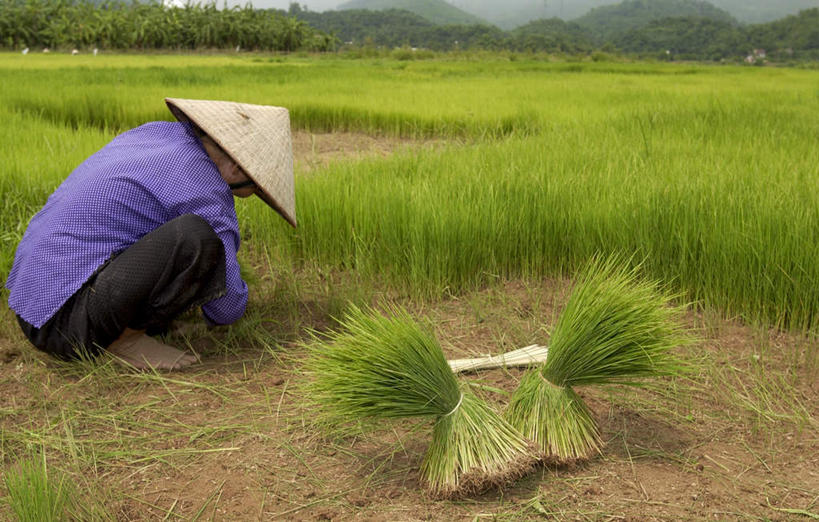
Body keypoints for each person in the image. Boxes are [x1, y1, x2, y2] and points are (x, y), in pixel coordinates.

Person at [5, 98, 297, 370]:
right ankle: (125, 340)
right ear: (236, 168)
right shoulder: (207, 191)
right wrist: (227, 285)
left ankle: (146, 326)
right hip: (64, 325)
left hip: (32, 302)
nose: (253, 193)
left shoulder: (157, 134)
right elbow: (227, 309)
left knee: (156, 228)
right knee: (196, 237)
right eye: (257, 186)